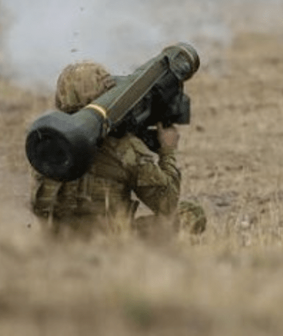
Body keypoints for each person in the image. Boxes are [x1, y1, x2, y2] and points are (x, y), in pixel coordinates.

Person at [29, 61, 206, 237]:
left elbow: (40, 205)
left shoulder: (47, 143)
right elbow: (167, 203)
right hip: (111, 241)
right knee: (191, 213)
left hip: (59, 240)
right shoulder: (124, 148)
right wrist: (168, 152)